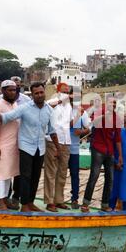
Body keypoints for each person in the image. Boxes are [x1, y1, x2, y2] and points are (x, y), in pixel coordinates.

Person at [0, 82, 60, 212]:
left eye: (41, 92)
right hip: (25, 147)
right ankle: (24, 205)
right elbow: (3, 117)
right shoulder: (24, 108)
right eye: (36, 93)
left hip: (40, 147)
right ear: (32, 95)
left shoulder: (49, 110)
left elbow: (52, 131)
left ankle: (30, 202)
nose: (39, 95)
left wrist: (57, 148)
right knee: (25, 177)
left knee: (35, 177)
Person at [81, 95, 123, 213]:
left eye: (115, 103)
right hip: (98, 148)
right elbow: (93, 123)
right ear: (106, 103)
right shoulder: (100, 112)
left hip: (109, 150)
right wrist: (105, 116)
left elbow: (118, 139)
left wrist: (120, 156)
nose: (113, 105)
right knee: (94, 175)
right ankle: (85, 203)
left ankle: (104, 204)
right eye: (111, 103)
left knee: (110, 178)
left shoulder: (117, 119)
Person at [0, 80, 21, 211]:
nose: (12, 92)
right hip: (2, 146)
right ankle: (0, 201)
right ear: (3, 91)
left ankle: (5, 199)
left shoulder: (15, 105)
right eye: (9, 90)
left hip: (14, 146)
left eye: (14, 90)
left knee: (9, 174)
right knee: (1, 175)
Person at [44, 83, 73, 212]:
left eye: (68, 92)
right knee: (51, 172)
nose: (67, 93)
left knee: (62, 172)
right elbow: (47, 106)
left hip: (66, 141)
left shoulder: (70, 106)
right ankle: (49, 201)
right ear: (58, 91)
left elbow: (70, 122)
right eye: (64, 91)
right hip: (52, 140)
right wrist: (61, 99)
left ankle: (59, 200)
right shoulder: (52, 101)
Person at [69, 89, 91, 210]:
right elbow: (65, 125)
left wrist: (81, 132)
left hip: (75, 148)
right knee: (59, 175)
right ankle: (57, 199)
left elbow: (88, 128)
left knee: (75, 174)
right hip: (62, 147)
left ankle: (74, 199)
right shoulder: (65, 110)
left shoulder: (83, 113)